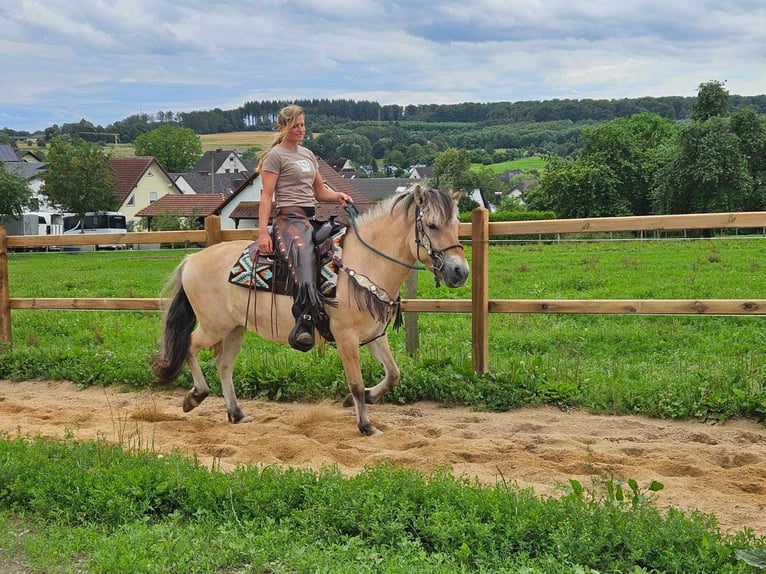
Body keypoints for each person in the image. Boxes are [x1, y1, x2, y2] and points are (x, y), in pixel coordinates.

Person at [256, 105, 353, 351]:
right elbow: (266, 196)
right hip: (288, 220)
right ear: (282, 128)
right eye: (295, 125)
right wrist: (261, 233)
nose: (301, 129)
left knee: (341, 244)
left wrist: (338, 195)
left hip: (310, 218)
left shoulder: (308, 155)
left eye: (303, 124)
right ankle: (304, 320)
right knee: (305, 257)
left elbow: (319, 192)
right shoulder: (275, 156)